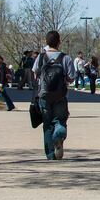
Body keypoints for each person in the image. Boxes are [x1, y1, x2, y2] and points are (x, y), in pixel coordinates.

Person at [33, 31, 76, 160]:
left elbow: (35, 74)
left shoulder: (40, 57)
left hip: (44, 95)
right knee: (60, 119)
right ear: (59, 42)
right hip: (60, 95)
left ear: (46, 42)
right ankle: (59, 134)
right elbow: (71, 78)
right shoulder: (65, 58)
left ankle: (50, 154)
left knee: (47, 124)